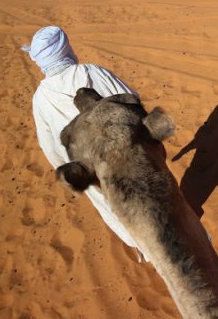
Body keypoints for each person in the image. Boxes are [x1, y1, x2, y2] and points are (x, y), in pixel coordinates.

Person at [23, 26, 146, 261]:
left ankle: (139, 245)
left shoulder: (41, 98)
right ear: (65, 48)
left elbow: (48, 143)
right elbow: (131, 99)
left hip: (86, 166)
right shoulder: (92, 72)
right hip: (122, 150)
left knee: (111, 205)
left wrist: (68, 168)